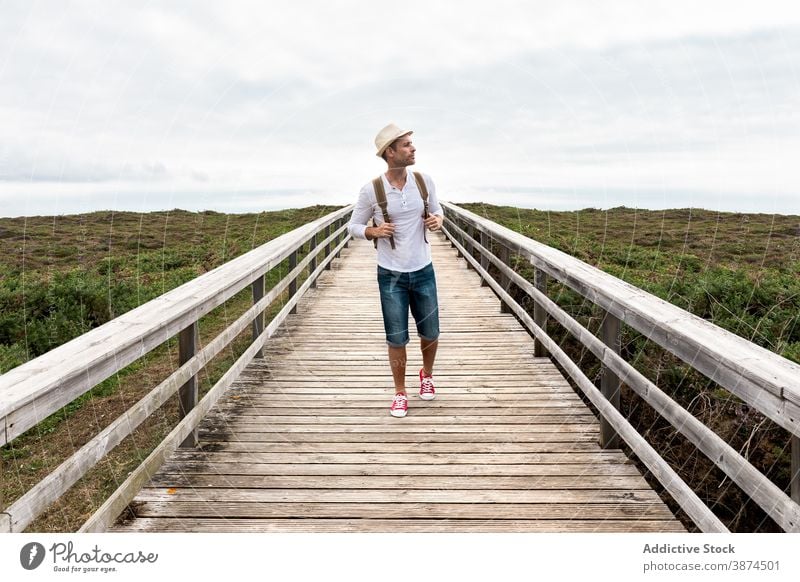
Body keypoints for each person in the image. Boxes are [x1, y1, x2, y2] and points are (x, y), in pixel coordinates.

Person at [347, 124, 444, 418]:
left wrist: (438, 220)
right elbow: (353, 227)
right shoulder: (371, 190)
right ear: (390, 152)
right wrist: (373, 231)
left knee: (431, 332)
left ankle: (426, 375)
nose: (413, 149)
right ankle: (400, 393)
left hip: (423, 269)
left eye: (412, 144)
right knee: (396, 337)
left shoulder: (424, 181)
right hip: (391, 274)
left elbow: (439, 211)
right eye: (406, 145)